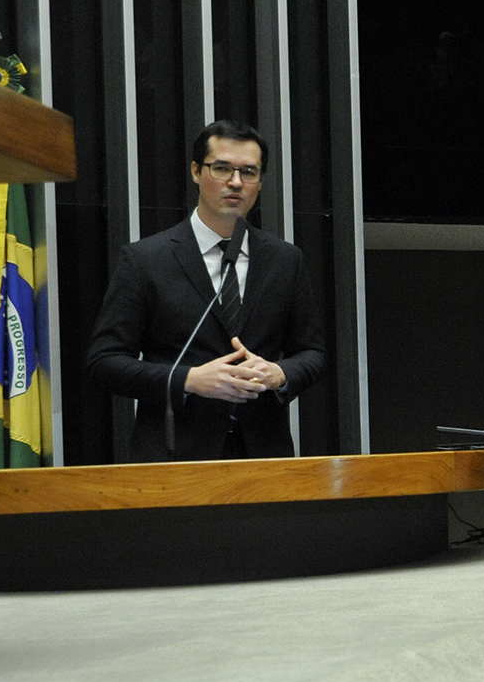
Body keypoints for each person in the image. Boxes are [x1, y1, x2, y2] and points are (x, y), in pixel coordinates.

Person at [87, 120, 327, 460]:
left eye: (249, 172)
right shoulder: (145, 260)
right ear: (196, 171)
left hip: (264, 454)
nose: (235, 182)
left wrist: (279, 373)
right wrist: (189, 379)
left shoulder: (284, 260)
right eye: (222, 168)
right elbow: (104, 362)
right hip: (175, 454)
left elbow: (313, 354)